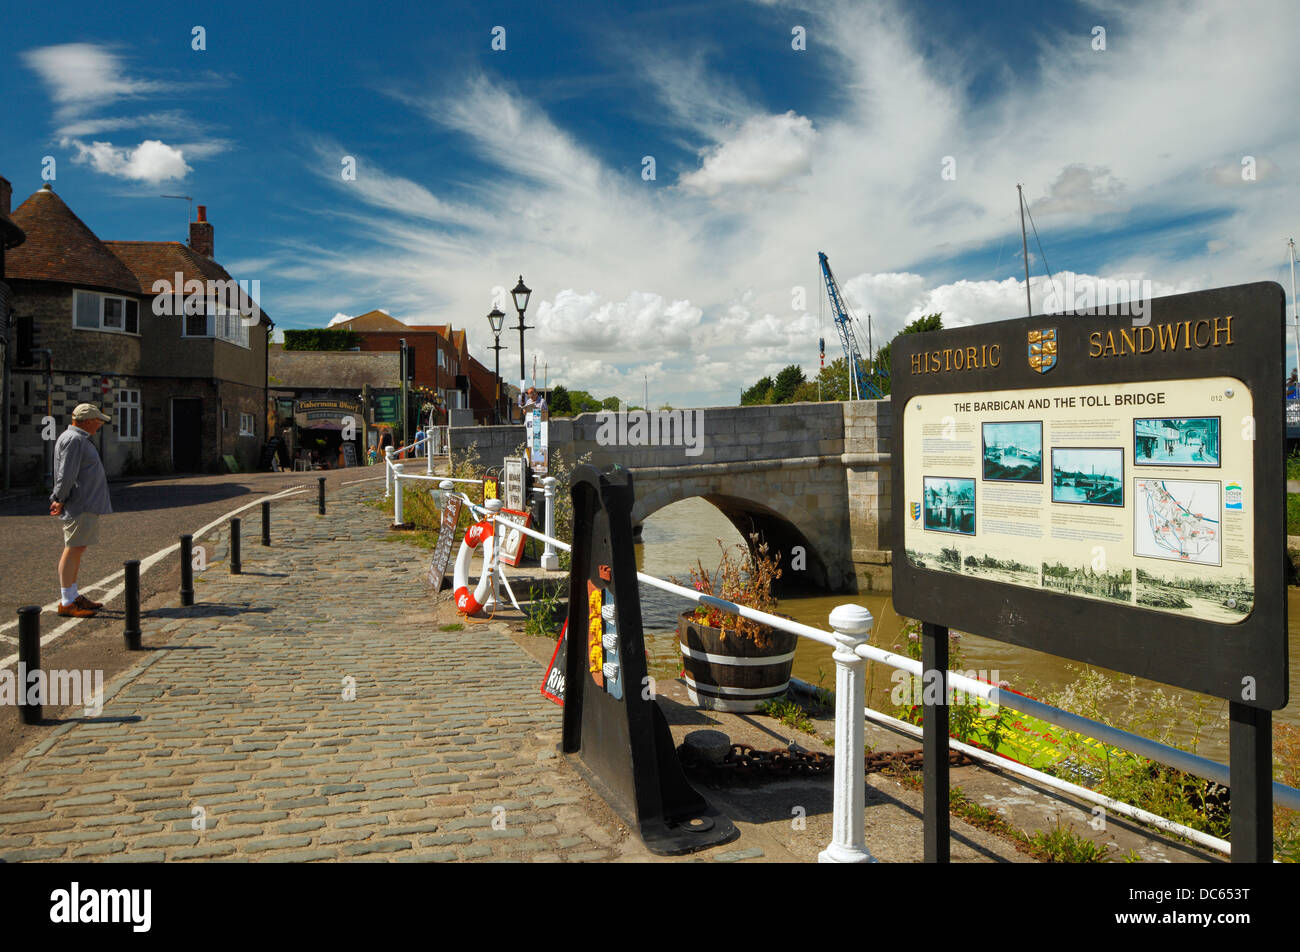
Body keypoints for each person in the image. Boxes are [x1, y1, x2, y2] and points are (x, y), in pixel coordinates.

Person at [49, 403, 114, 617]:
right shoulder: (75, 440)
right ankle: (67, 601)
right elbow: (66, 474)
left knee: (78, 548)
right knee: (73, 548)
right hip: (80, 504)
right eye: (97, 421)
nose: (99, 425)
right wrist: (59, 498)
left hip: (85, 503)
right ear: (86, 421)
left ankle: (73, 595)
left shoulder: (77, 439)